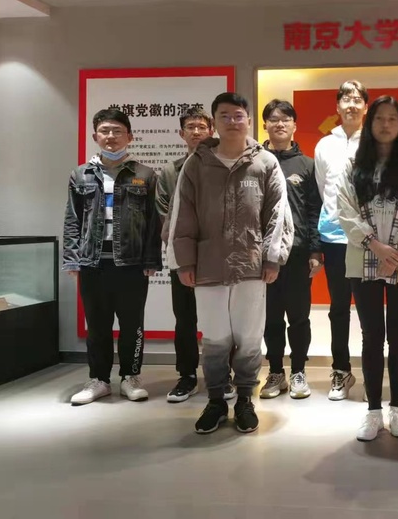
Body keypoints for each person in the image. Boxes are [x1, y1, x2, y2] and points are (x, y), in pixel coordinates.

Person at [169, 92, 293, 435]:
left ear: (248, 121)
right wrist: (184, 262)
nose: (232, 121)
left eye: (238, 115)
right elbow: (182, 215)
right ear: (215, 122)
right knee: (214, 338)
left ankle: (245, 400)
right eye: (224, 115)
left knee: (250, 337)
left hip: (251, 266)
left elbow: (278, 214)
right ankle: (215, 401)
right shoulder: (197, 164)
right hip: (207, 267)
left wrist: (272, 257)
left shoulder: (265, 162)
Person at [337, 96, 398, 441]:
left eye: (392, 118)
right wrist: (376, 246)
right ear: (370, 122)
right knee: (372, 336)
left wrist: (397, 252)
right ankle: (374, 411)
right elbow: (344, 210)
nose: (386, 124)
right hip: (363, 261)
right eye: (380, 118)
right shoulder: (353, 163)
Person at [64, 108, 162, 405]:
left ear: (129, 136)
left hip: (131, 264)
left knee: (132, 325)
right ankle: (99, 380)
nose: (111, 136)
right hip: (93, 263)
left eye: (117, 131)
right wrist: (72, 259)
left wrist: (151, 260)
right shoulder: (80, 174)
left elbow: (154, 222)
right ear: (95, 136)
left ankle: (131, 377)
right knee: (97, 326)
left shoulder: (145, 174)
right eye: (105, 131)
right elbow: (72, 219)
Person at [156, 107, 236, 403]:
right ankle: (187, 376)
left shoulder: (223, 165)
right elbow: (165, 216)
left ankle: (222, 375)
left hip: (218, 256)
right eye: (190, 127)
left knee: (221, 319)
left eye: (202, 127)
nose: (196, 132)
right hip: (183, 257)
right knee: (185, 318)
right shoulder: (170, 172)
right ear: (182, 133)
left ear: (211, 130)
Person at [259, 100, 323, 400]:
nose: (280, 124)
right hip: (263, 255)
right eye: (273, 119)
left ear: (295, 125)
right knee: (270, 317)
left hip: (297, 254)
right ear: (265, 125)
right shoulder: (256, 162)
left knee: (298, 317)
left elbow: (314, 210)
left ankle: (298, 371)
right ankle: (275, 372)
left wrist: (315, 251)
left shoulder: (307, 165)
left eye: (286, 119)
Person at [314, 80, 367, 401]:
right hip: (334, 238)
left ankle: (372, 370)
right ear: (337, 106)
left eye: (357, 99)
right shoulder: (324, 145)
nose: (351, 105)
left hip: (369, 239)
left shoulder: (374, 141)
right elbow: (324, 189)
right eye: (346, 99)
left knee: (370, 309)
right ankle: (341, 370)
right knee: (338, 308)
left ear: (365, 106)